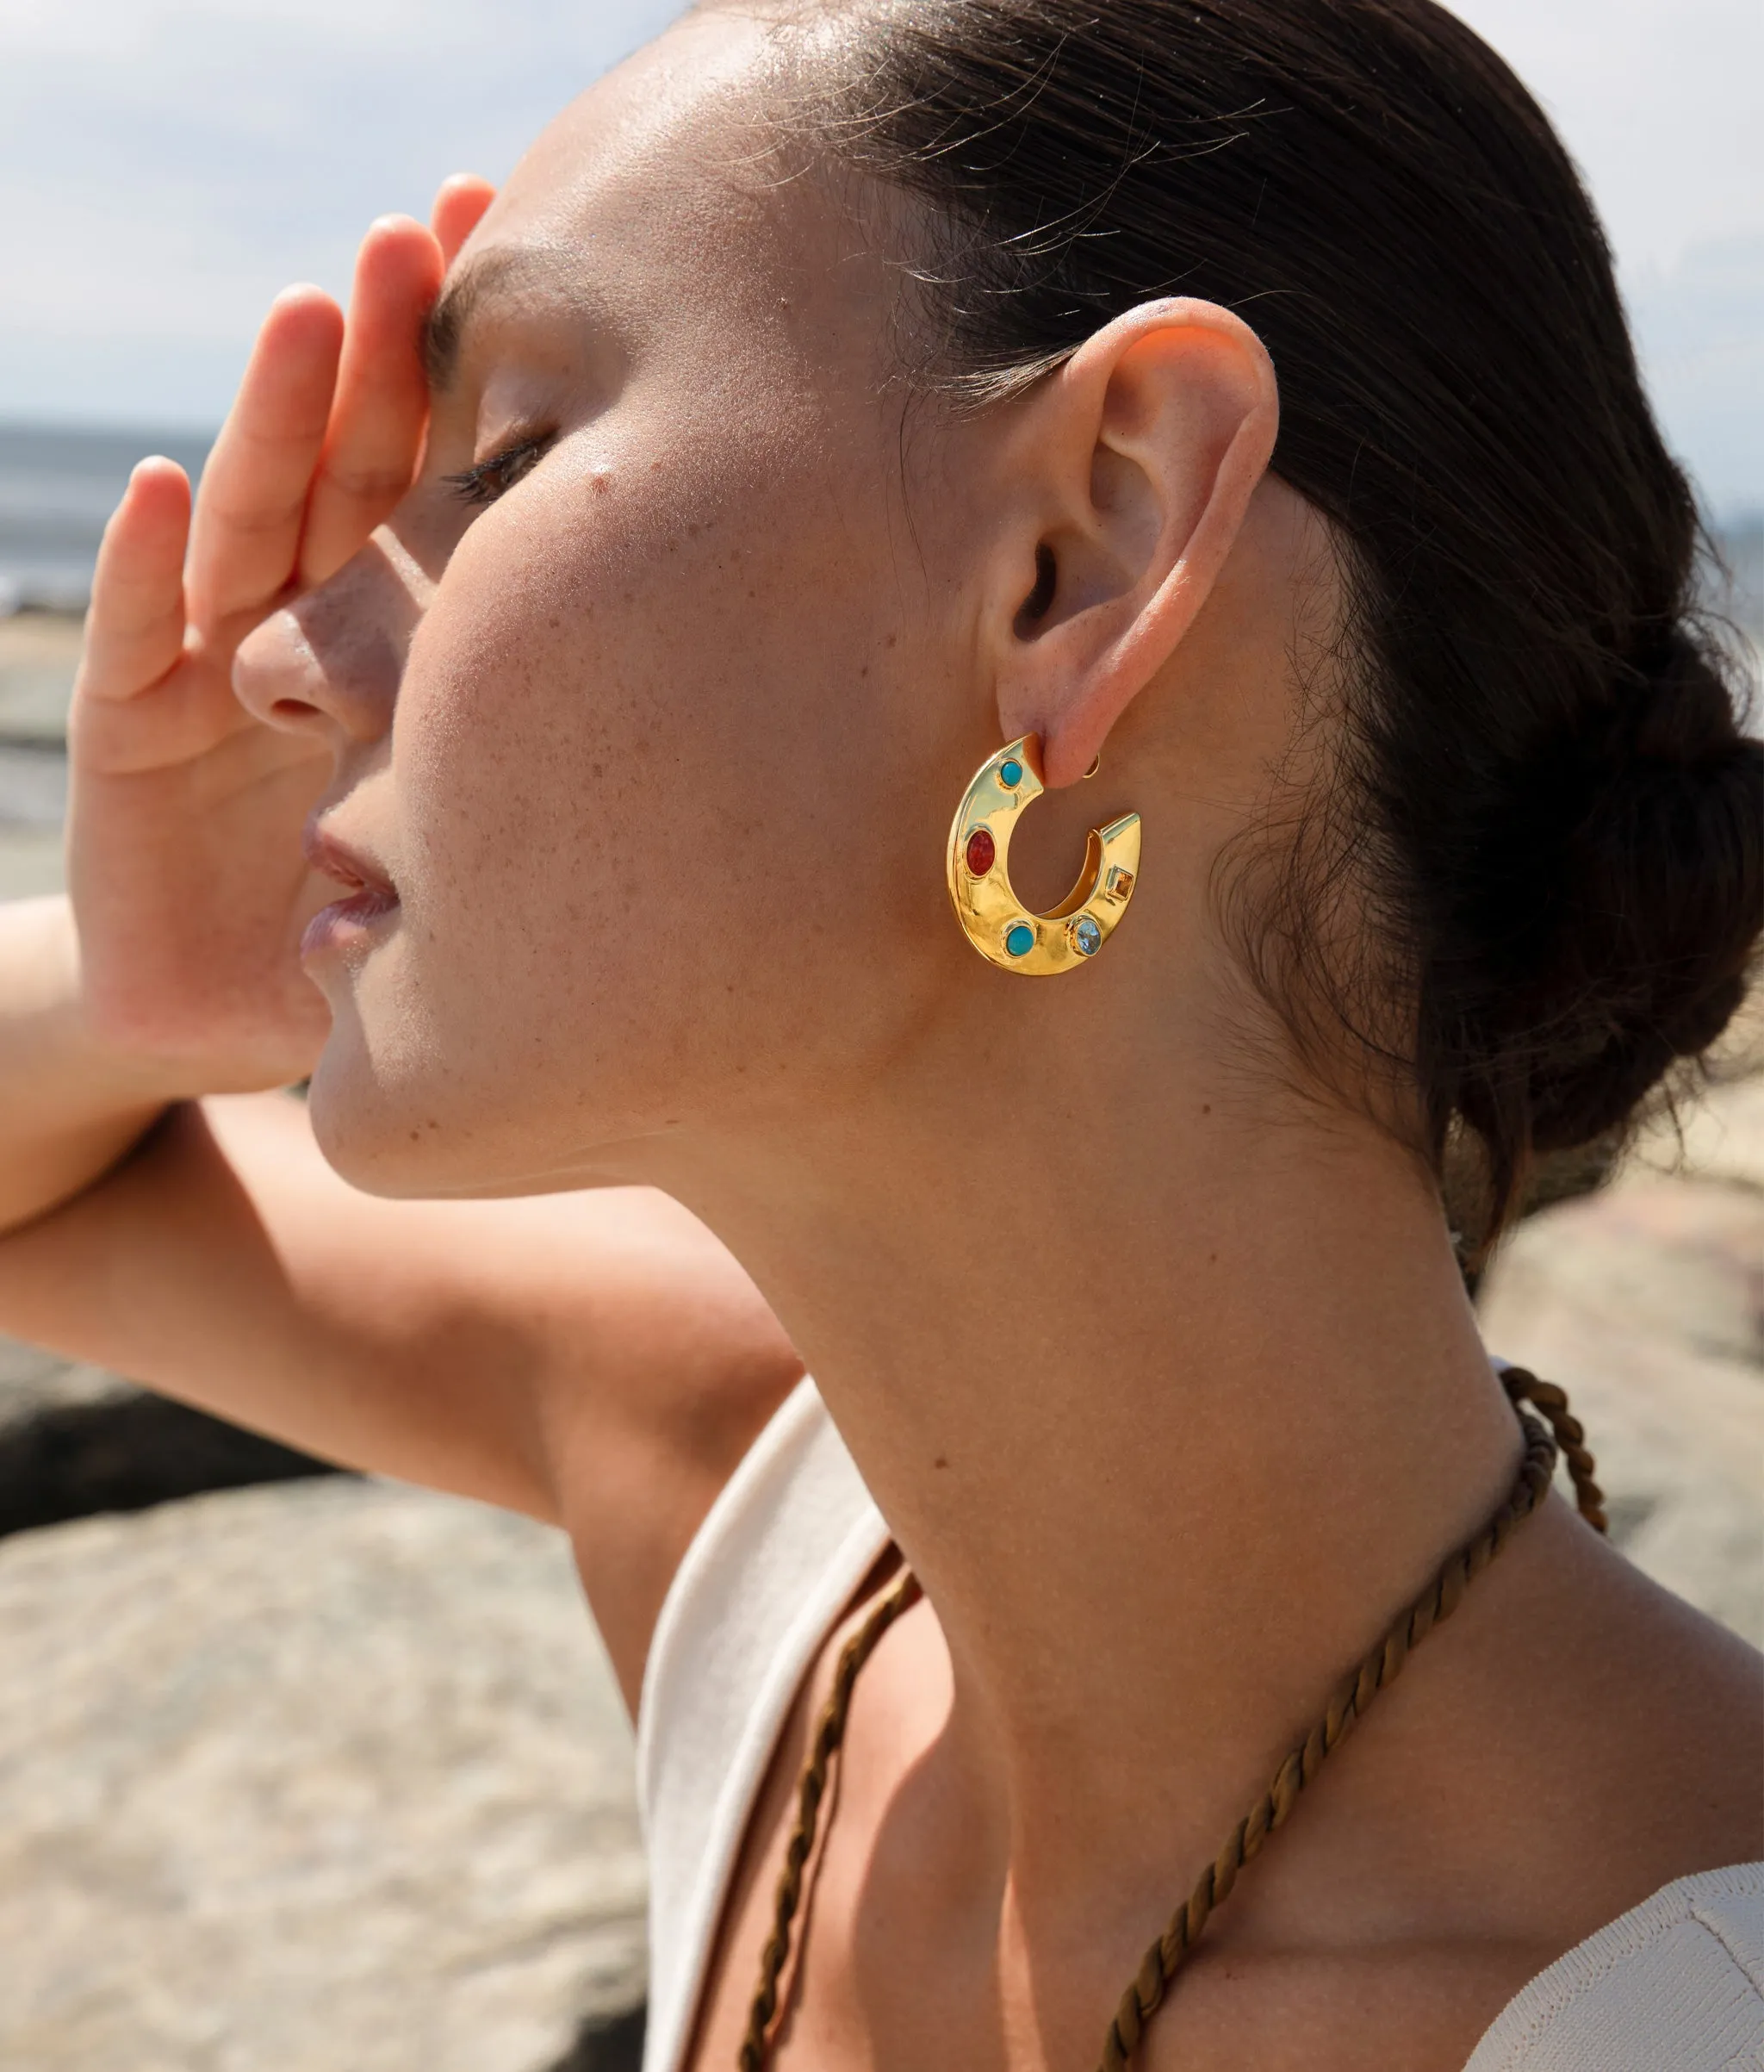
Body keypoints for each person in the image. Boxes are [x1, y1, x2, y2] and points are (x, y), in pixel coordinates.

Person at [2, 1, 1760, 2066]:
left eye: (503, 458)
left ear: (1078, 549)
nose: (291, 652)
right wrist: (168, 996)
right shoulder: (782, 1554)